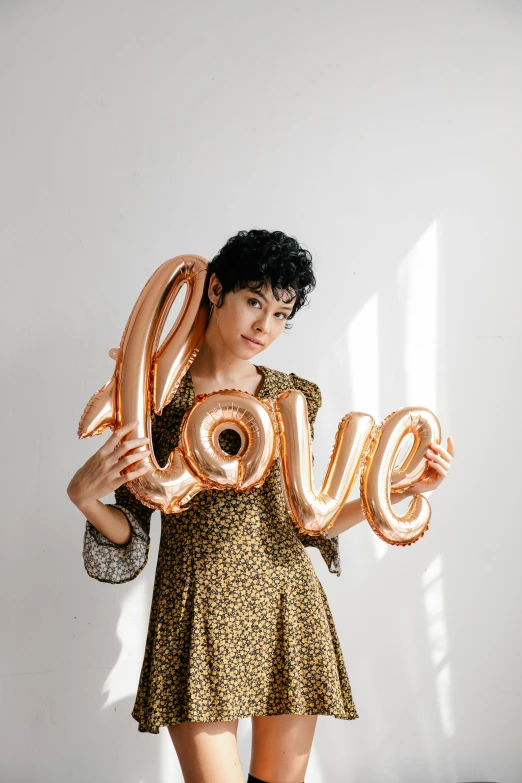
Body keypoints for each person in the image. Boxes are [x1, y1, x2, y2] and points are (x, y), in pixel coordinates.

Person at [67, 229, 454, 783]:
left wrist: (402, 489)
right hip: (195, 610)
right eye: (255, 302)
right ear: (217, 290)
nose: (263, 327)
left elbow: (310, 517)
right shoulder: (158, 396)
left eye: (280, 314)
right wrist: (84, 497)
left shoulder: (291, 396)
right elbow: (132, 527)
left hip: (285, 604)